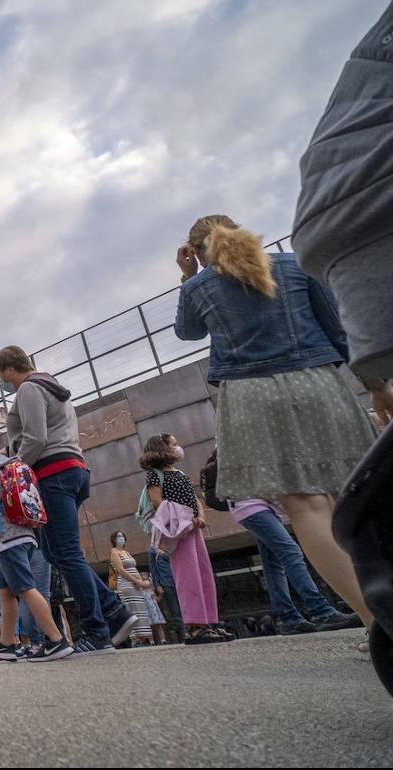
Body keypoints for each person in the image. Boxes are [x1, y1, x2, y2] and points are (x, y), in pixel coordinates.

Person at [174, 216, 377, 630]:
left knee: (306, 506)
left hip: (251, 396)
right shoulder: (293, 264)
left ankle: (377, 621)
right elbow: (338, 328)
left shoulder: (198, 286)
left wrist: (187, 277)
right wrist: (375, 382)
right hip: (317, 381)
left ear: (195, 250)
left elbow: (187, 332)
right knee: (353, 495)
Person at [0, 346, 137, 656]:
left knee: (66, 554)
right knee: (56, 552)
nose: (0, 382)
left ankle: (97, 632)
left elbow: (36, 438)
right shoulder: (53, 387)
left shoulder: (29, 388)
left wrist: (13, 468)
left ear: (6, 369)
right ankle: (114, 611)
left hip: (52, 472)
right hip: (73, 469)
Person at [293, 2, 393, 392]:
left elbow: (188, 331)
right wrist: (374, 384)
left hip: (331, 205)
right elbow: (330, 322)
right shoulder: (283, 270)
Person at [201, 448, 360, 635]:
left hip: (259, 508)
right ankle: (321, 611)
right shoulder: (238, 444)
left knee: (272, 563)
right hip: (250, 507)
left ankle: (288, 618)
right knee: (291, 552)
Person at [0, 426, 73, 663]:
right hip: (27, 532)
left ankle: (55, 639)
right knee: (5, 590)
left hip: (9, 540)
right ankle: (7, 642)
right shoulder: (8, 463)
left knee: (25, 588)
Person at [140, 435, 226, 645]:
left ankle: (208, 622)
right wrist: (185, 519)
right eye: (174, 444)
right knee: (188, 577)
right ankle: (194, 627)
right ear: (163, 449)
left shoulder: (179, 472)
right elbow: (156, 501)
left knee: (203, 574)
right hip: (178, 530)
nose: (178, 448)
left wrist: (201, 516)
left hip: (193, 527)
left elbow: (194, 497)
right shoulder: (155, 474)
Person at [107, 532, 155, 647]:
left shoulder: (127, 552)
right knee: (132, 609)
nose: (121, 538)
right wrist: (137, 581)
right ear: (113, 539)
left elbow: (133, 568)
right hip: (126, 585)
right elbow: (121, 570)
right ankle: (135, 639)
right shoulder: (114, 552)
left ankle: (143, 637)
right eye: (118, 536)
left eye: (122, 536)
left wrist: (141, 582)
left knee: (140, 610)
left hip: (136, 586)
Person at [148, 545, 183, 644]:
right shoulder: (152, 549)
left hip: (180, 580)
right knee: (175, 611)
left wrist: (164, 555)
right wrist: (157, 584)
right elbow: (153, 568)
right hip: (166, 583)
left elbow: (180, 559)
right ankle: (182, 636)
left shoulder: (172, 542)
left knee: (185, 608)